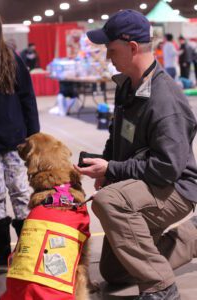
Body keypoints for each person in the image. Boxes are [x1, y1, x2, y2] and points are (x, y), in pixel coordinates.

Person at [75, 9, 197, 300]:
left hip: (176, 187)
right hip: (145, 183)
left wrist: (114, 170)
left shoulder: (165, 101)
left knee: (108, 203)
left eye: (111, 49)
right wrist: (103, 167)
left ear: (131, 48)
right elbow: (116, 136)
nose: (107, 57)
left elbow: (167, 168)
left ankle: (161, 288)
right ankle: (190, 238)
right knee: (114, 274)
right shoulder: (127, 86)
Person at [0, 13, 40, 270]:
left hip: (15, 143)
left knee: (22, 195)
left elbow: (28, 98)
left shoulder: (11, 58)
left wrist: (33, 135)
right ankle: (1, 254)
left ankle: (28, 250)